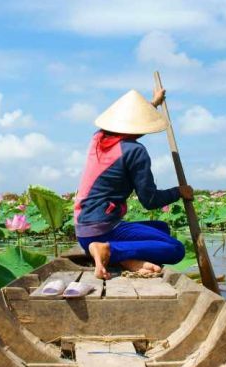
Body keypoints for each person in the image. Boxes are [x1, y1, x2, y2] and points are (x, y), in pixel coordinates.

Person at [74, 87, 193, 280]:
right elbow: (150, 200)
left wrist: (153, 103)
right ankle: (109, 250)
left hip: (83, 231)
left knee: (161, 228)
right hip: (103, 231)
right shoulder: (135, 151)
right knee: (176, 249)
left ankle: (125, 259)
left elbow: (129, 122)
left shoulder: (98, 138)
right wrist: (179, 191)